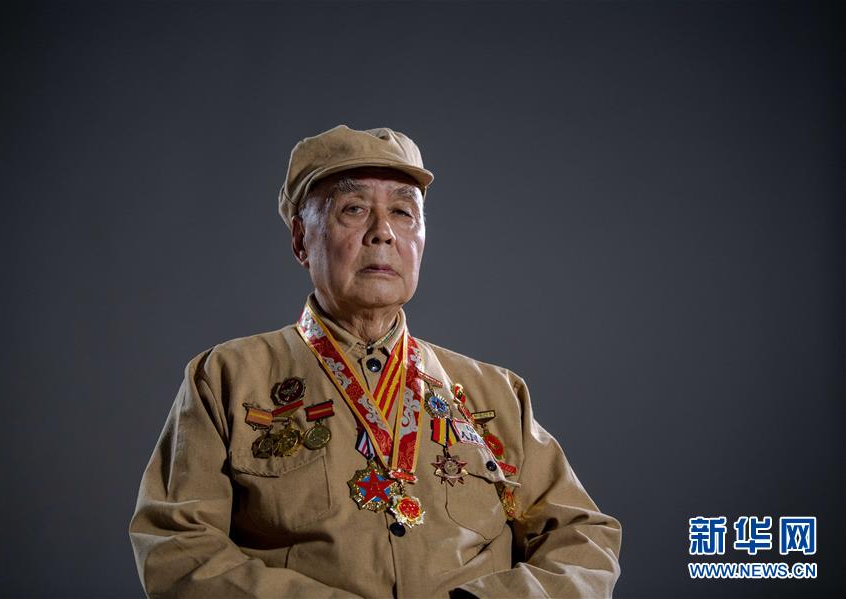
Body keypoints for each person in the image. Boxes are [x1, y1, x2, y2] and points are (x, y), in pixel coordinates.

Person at [129, 124, 622, 598]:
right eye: (354, 209)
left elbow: (584, 541)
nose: (382, 232)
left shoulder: (496, 393)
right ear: (301, 239)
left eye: (403, 212)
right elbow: (178, 549)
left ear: (422, 237)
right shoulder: (226, 379)